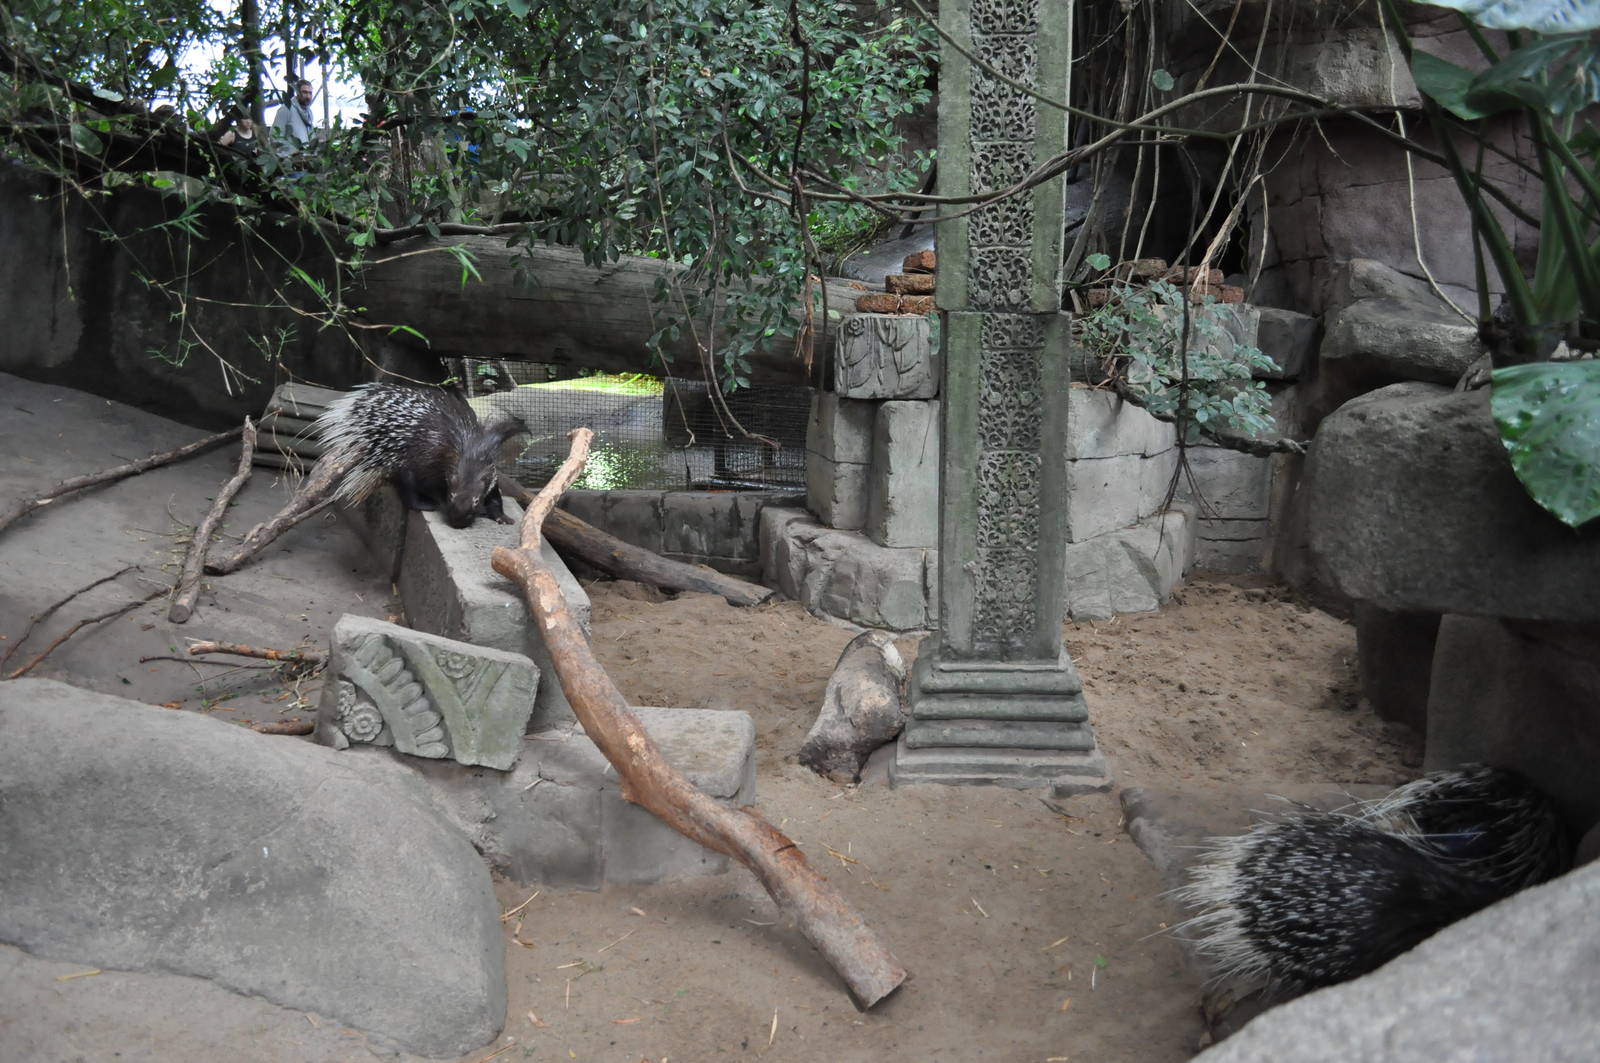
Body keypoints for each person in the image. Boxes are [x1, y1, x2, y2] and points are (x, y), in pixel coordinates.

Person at [271, 79, 319, 151]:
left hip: (306, 158)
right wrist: (287, 155)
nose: (308, 96)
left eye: (310, 93)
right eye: (305, 92)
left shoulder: (309, 113)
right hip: (290, 159)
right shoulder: (286, 109)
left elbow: (311, 137)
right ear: (297, 93)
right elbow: (274, 136)